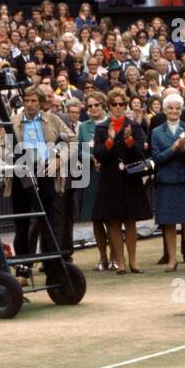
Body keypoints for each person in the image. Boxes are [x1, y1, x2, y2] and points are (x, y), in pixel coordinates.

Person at [90, 88, 151, 274]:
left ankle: (133, 261)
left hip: (130, 178)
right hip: (110, 180)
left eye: (121, 104)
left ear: (125, 105)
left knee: (131, 221)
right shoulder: (101, 128)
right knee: (114, 222)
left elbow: (141, 153)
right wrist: (109, 141)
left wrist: (130, 140)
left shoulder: (134, 125)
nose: (118, 107)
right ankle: (121, 262)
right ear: (108, 106)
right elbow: (99, 156)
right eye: (114, 104)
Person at [150, 93, 185, 273]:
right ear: (164, 110)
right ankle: (172, 260)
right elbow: (157, 158)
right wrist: (173, 148)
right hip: (166, 181)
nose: (174, 111)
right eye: (170, 108)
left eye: (178, 108)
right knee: (168, 223)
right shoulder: (156, 132)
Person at [76, 91, 110, 271]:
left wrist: (103, 158)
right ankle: (102, 257)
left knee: (112, 218)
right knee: (96, 218)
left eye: (96, 104)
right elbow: (79, 150)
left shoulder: (111, 122)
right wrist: (92, 158)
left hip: (110, 174)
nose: (93, 108)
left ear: (103, 105)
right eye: (90, 106)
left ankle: (115, 257)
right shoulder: (83, 127)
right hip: (91, 175)